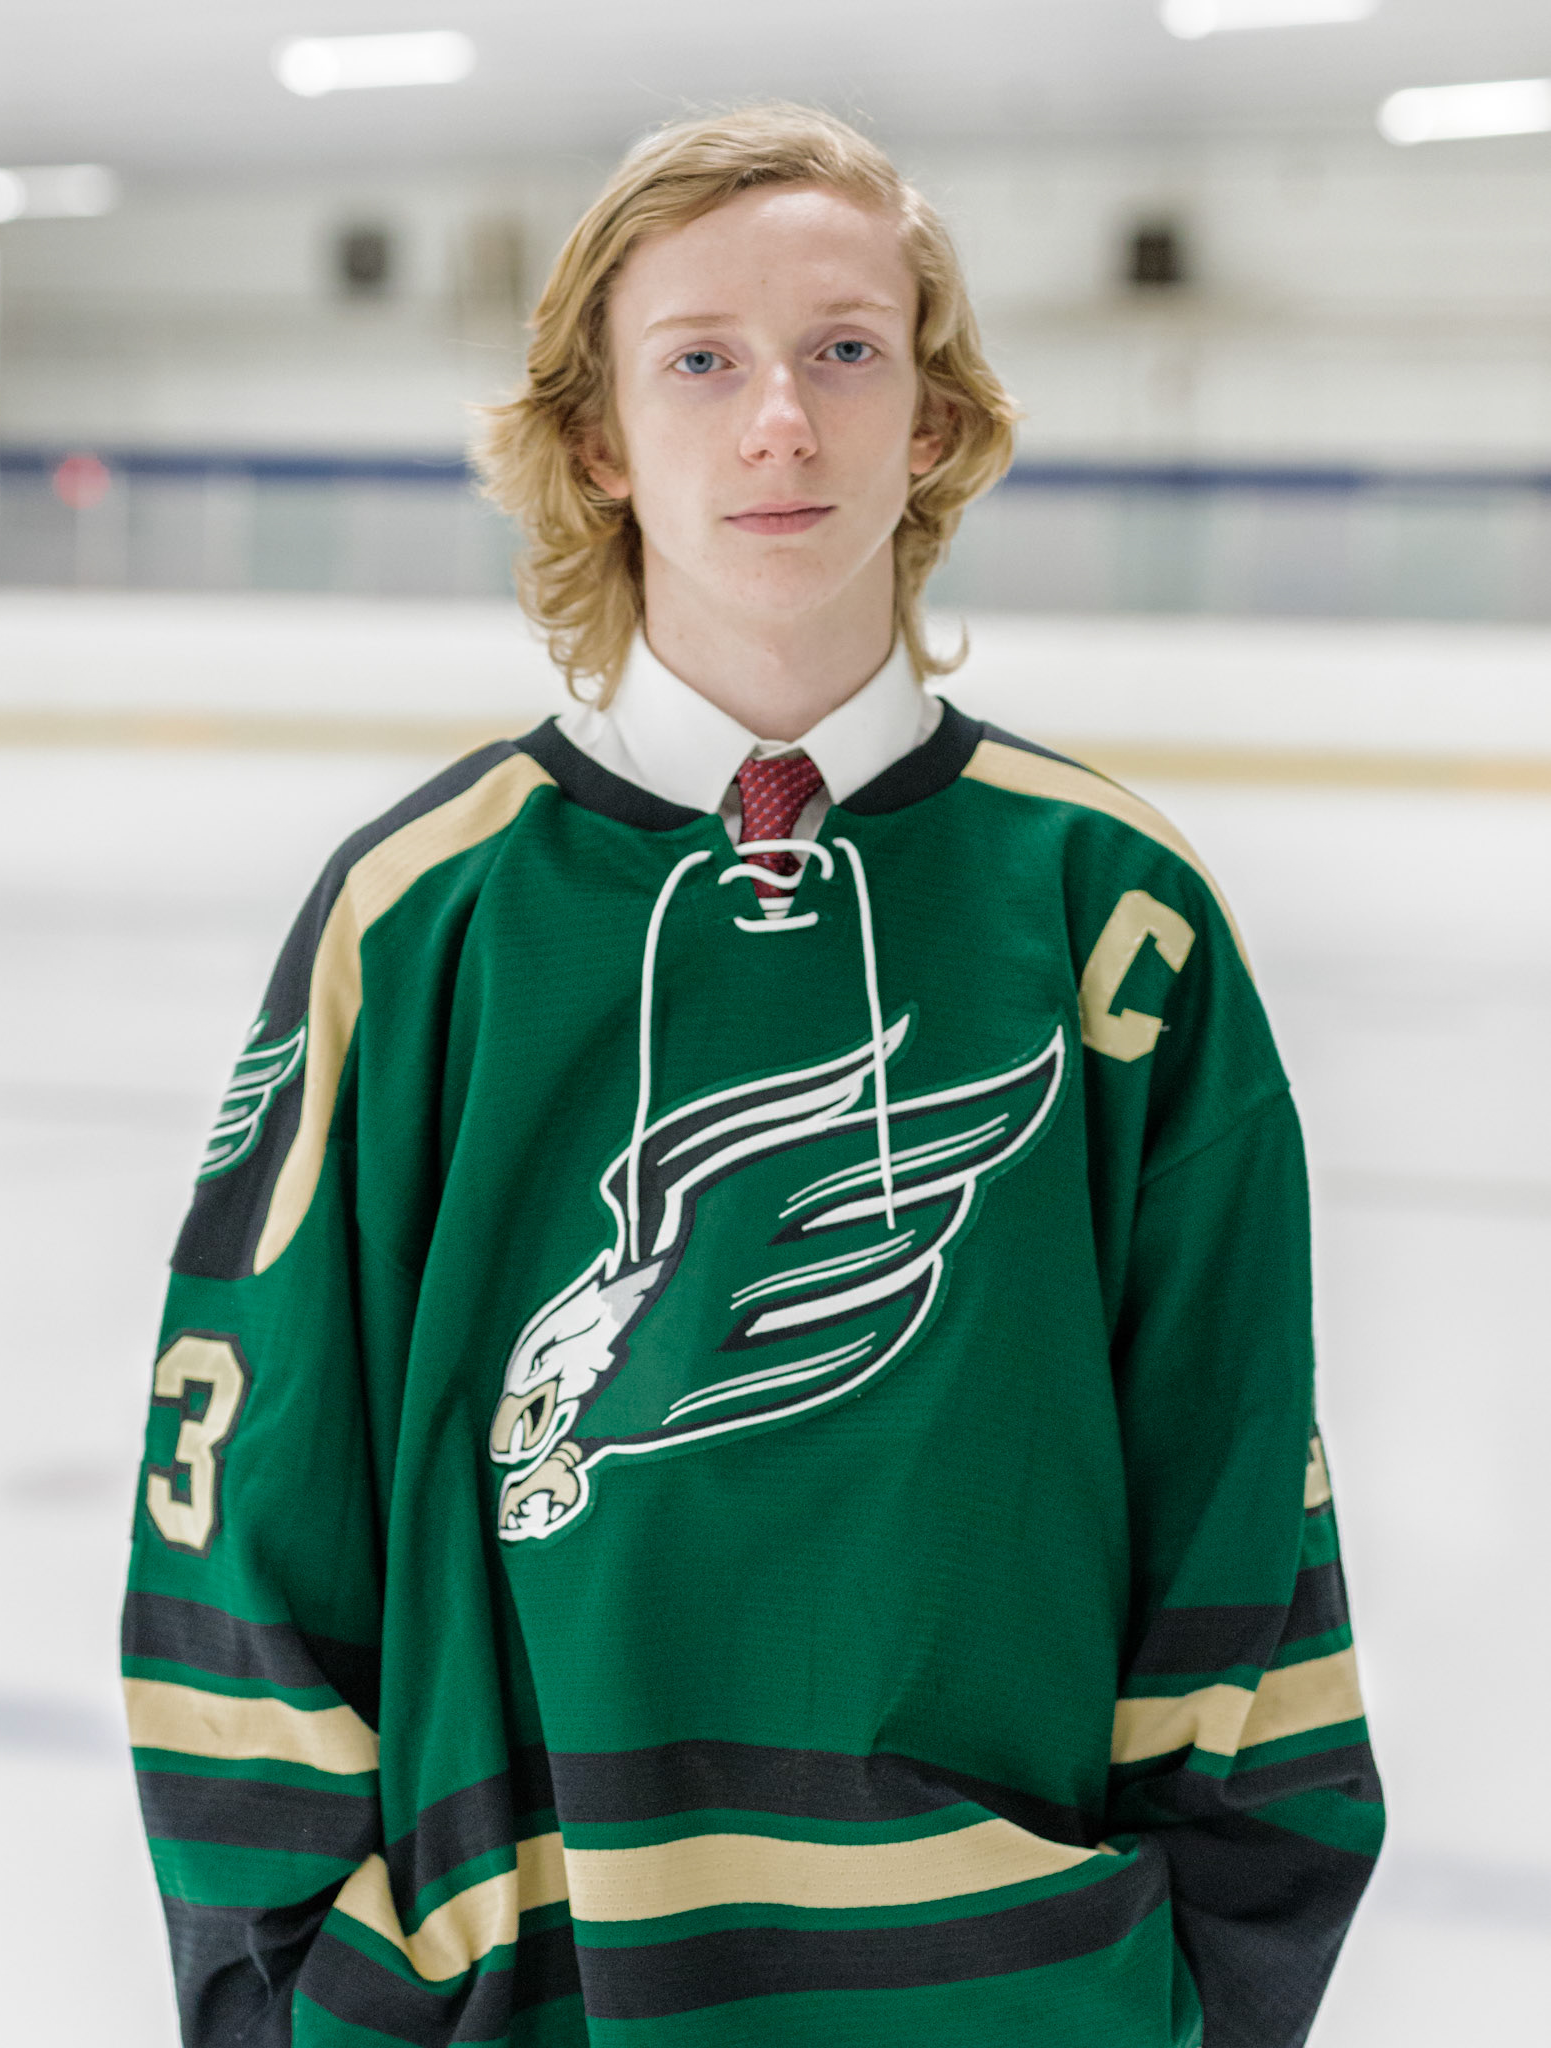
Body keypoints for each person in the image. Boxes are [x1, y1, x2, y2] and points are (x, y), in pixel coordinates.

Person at [123, 104, 1381, 2048]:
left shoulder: (1114, 916)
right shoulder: (424, 917)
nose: (779, 419)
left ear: (932, 419)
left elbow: (1239, 1498)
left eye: (844, 349)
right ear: (601, 438)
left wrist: (1196, 1990)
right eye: (700, 359)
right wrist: (296, 2003)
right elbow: (241, 1516)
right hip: (531, 2003)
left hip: (1024, 2006)